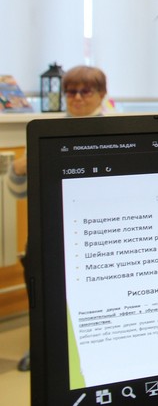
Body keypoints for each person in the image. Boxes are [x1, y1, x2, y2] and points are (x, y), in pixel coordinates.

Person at [9, 64, 110, 373]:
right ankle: (43, 346)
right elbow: (17, 192)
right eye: (70, 91)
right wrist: (19, 170)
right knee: (42, 280)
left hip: (97, 229)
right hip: (52, 227)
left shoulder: (114, 130)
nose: (77, 98)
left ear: (101, 94)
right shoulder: (46, 132)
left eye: (85, 91)